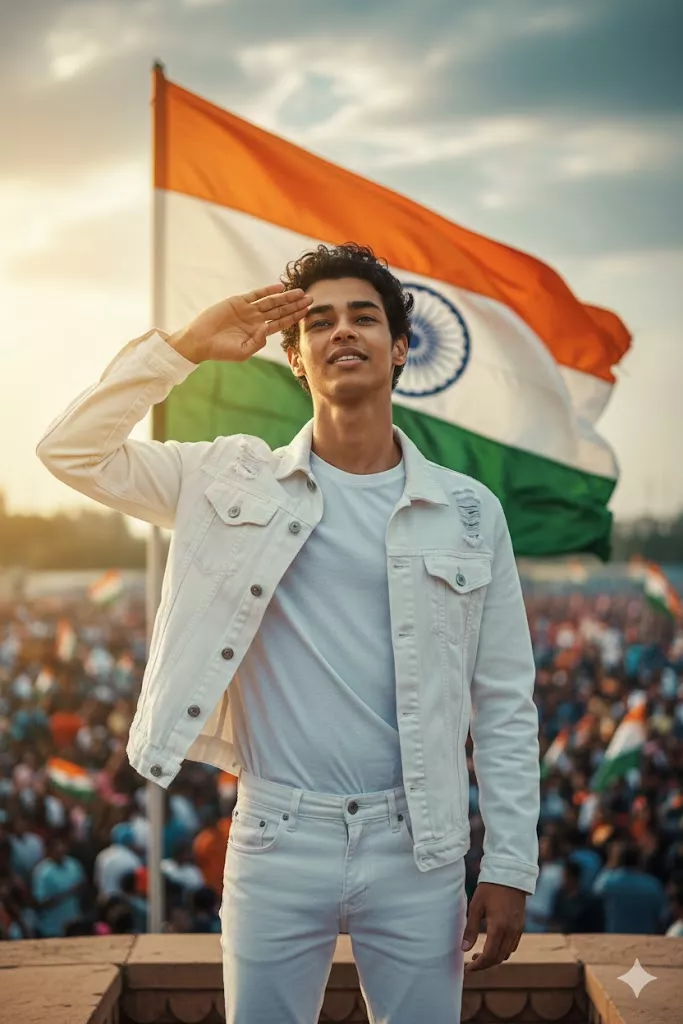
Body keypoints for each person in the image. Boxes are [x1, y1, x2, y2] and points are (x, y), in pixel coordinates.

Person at [36, 242, 540, 1023]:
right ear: (296, 360)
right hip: (275, 836)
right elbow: (70, 451)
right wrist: (183, 349)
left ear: (400, 346)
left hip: (420, 847)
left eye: (363, 317)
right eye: (319, 321)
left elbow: (505, 700)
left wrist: (509, 864)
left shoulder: (469, 512)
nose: (342, 331)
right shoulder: (226, 480)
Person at [593, 842, 669, 934]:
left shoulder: (608, 883)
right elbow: (662, 916)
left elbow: (594, 892)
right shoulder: (652, 885)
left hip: (615, 939)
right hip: (646, 940)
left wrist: (610, 864)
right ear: (639, 861)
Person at [31, 832, 86, 938]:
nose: (60, 849)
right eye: (56, 847)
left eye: (62, 845)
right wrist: (68, 893)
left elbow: (83, 887)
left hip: (73, 924)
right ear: (49, 850)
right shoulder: (42, 872)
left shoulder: (73, 864)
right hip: (52, 928)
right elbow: (40, 903)